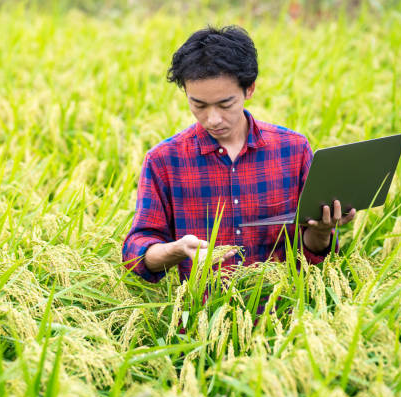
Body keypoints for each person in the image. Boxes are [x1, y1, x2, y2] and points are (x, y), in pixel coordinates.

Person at [122, 25, 355, 283]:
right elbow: (135, 253)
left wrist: (322, 231)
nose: (212, 119)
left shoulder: (293, 149)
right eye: (198, 104)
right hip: (203, 316)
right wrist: (176, 250)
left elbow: (311, 250)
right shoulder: (164, 160)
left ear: (249, 89)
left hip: (283, 315)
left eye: (225, 104)